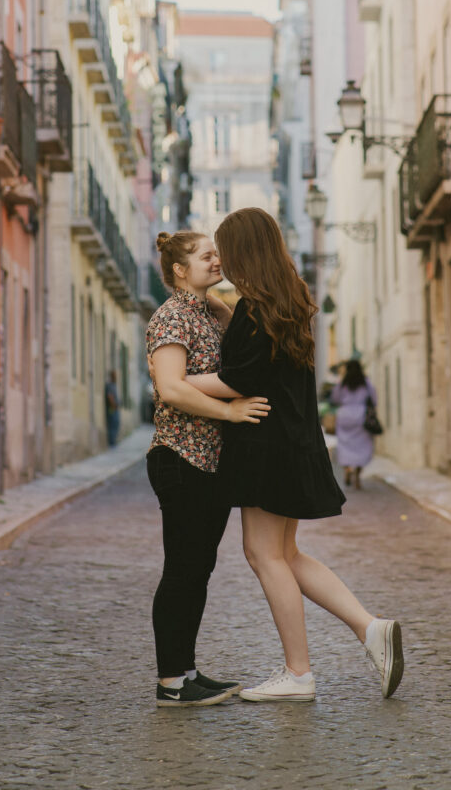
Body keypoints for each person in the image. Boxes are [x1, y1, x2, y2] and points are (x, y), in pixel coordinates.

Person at [185, 208, 404, 703]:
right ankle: (370, 629)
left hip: (264, 446)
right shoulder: (289, 300)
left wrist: (174, 384)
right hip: (292, 441)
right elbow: (254, 358)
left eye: (225, 249)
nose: (220, 259)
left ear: (244, 251)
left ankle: (298, 673)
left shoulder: (255, 310)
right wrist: (225, 309)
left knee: (263, 555)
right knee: (285, 554)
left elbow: (236, 378)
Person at [146, 229, 271, 708]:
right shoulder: (172, 316)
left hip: (208, 461)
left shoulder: (203, 311)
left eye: (216, 253)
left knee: (198, 568)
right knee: (182, 569)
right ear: (179, 270)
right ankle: (170, 683)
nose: (217, 260)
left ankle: (187, 670)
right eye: (205, 256)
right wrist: (232, 413)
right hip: (180, 457)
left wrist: (220, 301)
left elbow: (235, 327)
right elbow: (172, 388)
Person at [330, 356, 377, 489]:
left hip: (345, 415)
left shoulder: (343, 383)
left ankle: (347, 470)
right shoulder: (365, 382)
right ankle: (357, 475)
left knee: (345, 445)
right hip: (360, 416)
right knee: (362, 446)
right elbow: (374, 399)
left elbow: (335, 398)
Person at [104, 370, 121, 448]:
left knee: (116, 424)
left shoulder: (114, 385)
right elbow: (109, 396)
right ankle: (112, 443)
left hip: (115, 408)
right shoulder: (110, 385)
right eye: (114, 376)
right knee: (112, 424)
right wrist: (114, 405)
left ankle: (113, 441)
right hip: (112, 409)